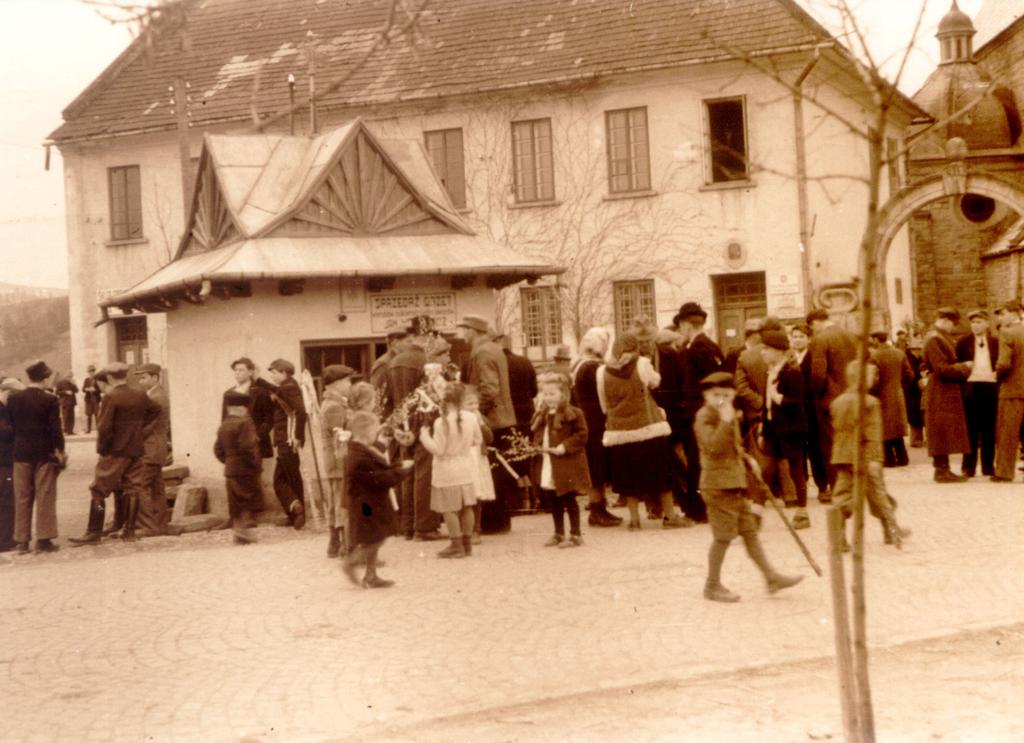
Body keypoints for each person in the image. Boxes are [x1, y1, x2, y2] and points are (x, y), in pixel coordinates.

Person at [694, 371, 802, 603]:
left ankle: (771, 577)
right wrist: (725, 420)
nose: (721, 399)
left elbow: (732, 445)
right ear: (706, 396)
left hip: (735, 483)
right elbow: (713, 447)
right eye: (716, 395)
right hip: (718, 486)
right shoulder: (705, 416)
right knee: (723, 537)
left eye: (726, 394)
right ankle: (712, 585)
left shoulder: (726, 413)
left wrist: (746, 458)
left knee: (750, 533)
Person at [597, 332, 690, 531]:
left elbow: (604, 405)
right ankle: (670, 517)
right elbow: (655, 382)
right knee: (662, 475)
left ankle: (634, 520)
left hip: (619, 432)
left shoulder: (602, 372)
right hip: (648, 428)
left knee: (628, 477)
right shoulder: (642, 364)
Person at [70, 362, 160, 545]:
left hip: (115, 451)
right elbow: (155, 410)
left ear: (110, 378)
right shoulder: (140, 394)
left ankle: (93, 532)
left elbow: (104, 427)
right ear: (126, 376)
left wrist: (102, 449)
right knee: (132, 488)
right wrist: (138, 430)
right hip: (136, 449)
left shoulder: (111, 396)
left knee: (98, 489)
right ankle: (129, 531)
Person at [830, 360, 911, 549]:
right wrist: (875, 458)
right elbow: (873, 433)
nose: (875, 380)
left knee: (843, 496)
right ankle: (890, 530)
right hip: (866, 456)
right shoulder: (870, 402)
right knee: (878, 495)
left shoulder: (837, 402)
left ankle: (839, 537)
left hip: (842, 455)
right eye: (871, 376)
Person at [458, 315, 518, 534]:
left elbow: (489, 389)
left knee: (490, 472)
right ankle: (499, 521)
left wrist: (473, 413)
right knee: (497, 471)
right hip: (501, 418)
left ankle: (494, 522)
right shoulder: (493, 349)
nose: (462, 334)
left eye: (464, 329)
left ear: (473, 330)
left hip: (490, 421)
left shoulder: (482, 353)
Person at [341, 412, 413, 588]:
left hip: (370, 502)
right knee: (377, 537)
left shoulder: (360, 450)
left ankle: (371, 575)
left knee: (373, 537)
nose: (376, 433)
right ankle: (351, 563)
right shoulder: (358, 456)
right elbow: (378, 479)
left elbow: (379, 471)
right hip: (367, 505)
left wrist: (397, 466)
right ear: (365, 431)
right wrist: (401, 471)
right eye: (374, 429)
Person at [387, 331, 444, 541]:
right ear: (428, 338)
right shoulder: (427, 361)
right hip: (424, 422)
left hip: (403, 423)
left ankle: (408, 525)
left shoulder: (395, 361)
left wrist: (396, 426)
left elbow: (391, 398)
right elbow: (434, 395)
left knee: (409, 473)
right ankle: (425, 526)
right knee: (424, 473)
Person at [7, 361, 65, 553]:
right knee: (45, 495)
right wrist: (60, 450)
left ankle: (22, 541)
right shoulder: (50, 400)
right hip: (44, 453)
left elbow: (12, 427)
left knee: (22, 496)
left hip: (21, 453)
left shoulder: (14, 399)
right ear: (46, 378)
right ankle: (44, 539)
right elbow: (56, 430)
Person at [420, 382, 480, 558]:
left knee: (449, 508)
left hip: (446, 468)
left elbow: (438, 449)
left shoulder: (441, 422)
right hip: (465, 466)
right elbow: (477, 440)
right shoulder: (471, 417)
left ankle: (456, 544)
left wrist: (424, 436)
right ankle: (467, 544)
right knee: (467, 507)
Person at [677, 301, 723, 522]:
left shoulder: (698, 348)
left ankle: (699, 511)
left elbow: (714, 383)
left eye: (681, 326)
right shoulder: (710, 345)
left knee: (697, 461)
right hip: (704, 412)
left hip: (699, 414)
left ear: (687, 325)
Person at [759, 330, 809, 530]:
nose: (762, 353)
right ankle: (756, 512)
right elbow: (766, 403)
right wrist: (763, 426)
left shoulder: (791, 372)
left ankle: (802, 511)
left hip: (791, 429)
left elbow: (798, 402)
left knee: (796, 470)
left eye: (766, 349)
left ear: (778, 351)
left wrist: (777, 397)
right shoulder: (770, 372)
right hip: (773, 428)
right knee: (766, 470)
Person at [532, 373, 590, 548]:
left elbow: (582, 435)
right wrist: (537, 444)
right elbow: (539, 434)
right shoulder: (542, 414)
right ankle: (558, 533)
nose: (548, 398)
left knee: (568, 498)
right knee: (553, 499)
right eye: (545, 394)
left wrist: (564, 446)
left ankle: (576, 534)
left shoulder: (573, 413)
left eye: (552, 394)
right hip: (549, 462)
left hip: (567, 463)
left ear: (563, 394)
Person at [571, 327, 621, 527]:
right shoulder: (592, 367)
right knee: (596, 467)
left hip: (585, 419)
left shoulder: (579, 364)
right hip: (595, 422)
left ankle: (599, 507)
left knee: (594, 466)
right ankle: (597, 509)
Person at [806, 308, 858, 497]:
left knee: (830, 446)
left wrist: (815, 394)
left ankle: (839, 487)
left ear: (815, 323)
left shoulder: (820, 339)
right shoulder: (851, 336)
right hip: (852, 397)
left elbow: (818, 373)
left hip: (830, 400)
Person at [254, 359, 307, 528]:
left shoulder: (288, 387)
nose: (272, 376)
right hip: (287, 440)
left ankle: (296, 509)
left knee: (280, 481)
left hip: (288, 440)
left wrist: (297, 435)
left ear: (284, 373)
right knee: (291, 477)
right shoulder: (287, 387)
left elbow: (301, 412)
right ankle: (296, 514)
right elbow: (278, 393)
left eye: (275, 373)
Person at [923, 308, 972, 483]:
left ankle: (943, 469)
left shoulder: (937, 337)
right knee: (941, 429)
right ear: (944, 320)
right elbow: (942, 368)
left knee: (942, 429)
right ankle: (941, 471)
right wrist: (964, 366)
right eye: (952, 324)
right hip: (941, 390)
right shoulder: (935, 339)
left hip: (943, 390)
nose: (953, 328)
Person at [320, 364, 359, 557]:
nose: (350, 385)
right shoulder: (335, 406)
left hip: (335, 460)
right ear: (336, 383)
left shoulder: (334, 403)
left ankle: (335, 544)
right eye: (347, 381)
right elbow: (340, 438)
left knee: (337, 501)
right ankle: (347, 546)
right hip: (339, 460)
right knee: (342, 502)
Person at [215, 390, 262, 544]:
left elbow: (218, 450)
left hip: (230, 469)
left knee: (235, 502)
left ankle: (239, 534)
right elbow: (248, 447)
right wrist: (254, 464)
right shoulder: (244, 423)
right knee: (247, 500)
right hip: (245, 468)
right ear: (240, 408)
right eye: (245, 408)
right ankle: (245, 533)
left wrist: (229, 461)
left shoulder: (224, 425)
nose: (246, 411)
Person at [955, 310, 998, 477]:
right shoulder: (963, 342)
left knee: (989, 429)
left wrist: (997, 375)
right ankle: (968, 467)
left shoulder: (995, 342)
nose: (975, 325)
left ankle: (988, 466)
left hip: (990, 387)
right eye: (973, 322)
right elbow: (957, 364)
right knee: (970, 429)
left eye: (979, 322)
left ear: (987, 324)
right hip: (971, 388)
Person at [791, 323, 828, 495]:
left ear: (809, 339)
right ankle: (802, 486)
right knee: (798, 450)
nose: (797, 340)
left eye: (801, 337)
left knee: (816, 448)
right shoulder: (788, 357)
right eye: (795, 336)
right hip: (794, 410)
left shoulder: (813, 356)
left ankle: (822, 486)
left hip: (812, 410)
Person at [134, 363, 172, 536]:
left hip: (151, 447)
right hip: (157, 448)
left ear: (155, 378)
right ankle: (161, 524)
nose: (141, 381)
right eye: (140, 378)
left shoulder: (156, 398)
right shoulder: (154, 394)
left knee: (140, 485)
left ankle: (148, 526)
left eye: (144, 377)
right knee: (156, 487)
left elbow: (148, 426)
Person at [869, 332, 912, 468]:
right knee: (896, 428)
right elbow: (909, 374)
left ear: (876, 340)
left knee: (885, 428)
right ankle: (902, 457)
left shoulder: (874, 356)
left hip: (881, 395)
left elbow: (872, 379)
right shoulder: (899, 353)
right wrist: (900, 386)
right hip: (897, 394)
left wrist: (871, 392)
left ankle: (889, 459)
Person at [993, 301, 1024, 482]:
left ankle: (1004, 472)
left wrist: (995, 375)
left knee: (1007, 432)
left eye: (1003, 313)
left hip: (1012, 389)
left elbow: (1004, 363)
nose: (1000, 318)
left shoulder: (1006, 333)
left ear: (1014, 313)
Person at [461, 385, 495, 544]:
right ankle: (464, 529)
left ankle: (476, 529)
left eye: (475, 404)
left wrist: (481, 424)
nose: (474, 407)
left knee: (477, 493)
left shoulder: (480, 418)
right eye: (469, 404)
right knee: (463, 493)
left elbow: (489, 439)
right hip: (463, 458)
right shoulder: (458, 420)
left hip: (477, 458)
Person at [0, 377, 23, 552]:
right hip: (4, 461)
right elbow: (5, 433)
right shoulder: (1, 410)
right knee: (7, 500)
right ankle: (5, 540)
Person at [82, 365, 101, 434]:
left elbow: (100, 389)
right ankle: (88, 429)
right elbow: (83, 389)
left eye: (92, 371)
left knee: (97, 415)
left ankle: (98, 429)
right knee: (89, 415)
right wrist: (87, 389)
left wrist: (95, 390)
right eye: (90, 372)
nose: (91, 373)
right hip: (88, 400)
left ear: (94, 372)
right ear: (88, 372)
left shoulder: (98, 379)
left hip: (96, 399)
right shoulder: (86, 380)